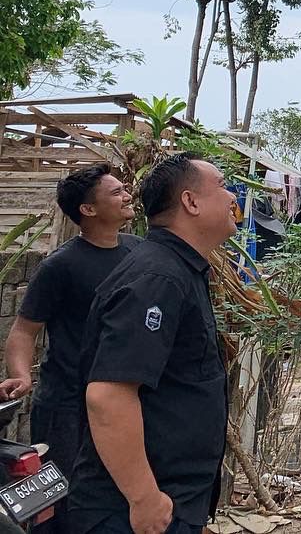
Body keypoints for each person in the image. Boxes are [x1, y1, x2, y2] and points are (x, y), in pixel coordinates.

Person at [68, 153, 237, 534]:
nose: (232, 199)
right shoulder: (158, 278)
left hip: (164, 502)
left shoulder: (177, 269)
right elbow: (109, 395)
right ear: (190, 202)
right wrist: (144, 497)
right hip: (133, 513)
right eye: (223, 186)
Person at [0, 166, 138, 534]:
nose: (127, 196)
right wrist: (19, 373)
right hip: (67, 405)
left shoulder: (139, 254)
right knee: (60, 504)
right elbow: (24, 329)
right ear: (88, 210)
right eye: (116, 192)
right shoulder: (60, 266)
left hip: (121, 399)